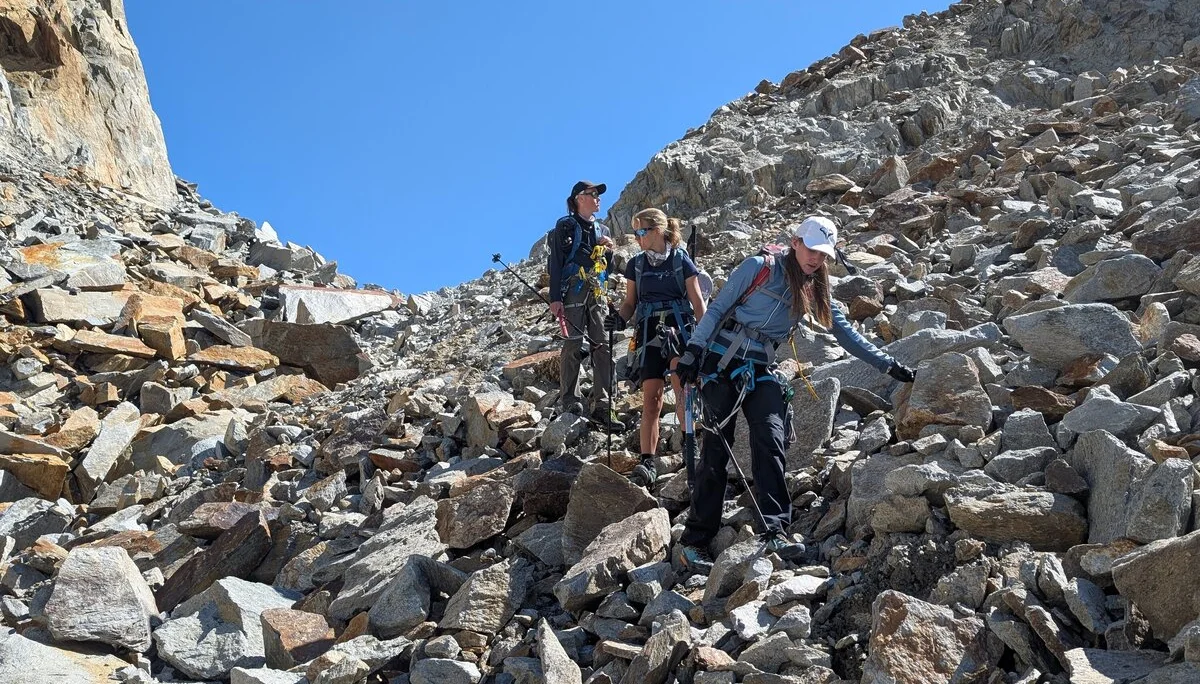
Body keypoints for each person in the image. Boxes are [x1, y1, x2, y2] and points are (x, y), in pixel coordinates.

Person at [671, 216, 915, 571]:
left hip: (760, 370)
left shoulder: (815, 287)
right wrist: (693, 352)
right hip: (719, 365)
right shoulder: (759, 267)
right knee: (716, 452)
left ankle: (775, 530)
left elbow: (845, 334)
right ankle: (694, 541)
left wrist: (888, 365)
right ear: (795, 242)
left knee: (770, 440)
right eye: (811, 249)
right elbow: (718, 308)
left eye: (823, 254)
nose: (816, 259)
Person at [604, 208, 707, 486]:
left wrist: (704, 338)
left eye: (642, 231)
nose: (637, 237)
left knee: (682, 388)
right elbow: (630, 303)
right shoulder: (636, 265)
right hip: (649, 332)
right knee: (652, 399)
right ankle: (647, 462)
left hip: (679, 329)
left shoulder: (681, 260)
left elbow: (698, 302)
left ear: (658, 230)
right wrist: (619, 319)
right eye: (636, 232)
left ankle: (691, 450)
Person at [547, 180, 622, 429]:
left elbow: (608, 269)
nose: (598, 198)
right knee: (573, 344)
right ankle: (570, 400)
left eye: (598, 194)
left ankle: (604, 405)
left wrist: (609, 252)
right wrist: (555, 298)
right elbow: (556, 262)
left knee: (603, 344)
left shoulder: (603, 230)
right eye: (593, 194)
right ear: (580, 198)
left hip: (597, 292)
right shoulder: (565, 226)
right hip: (573, 292)